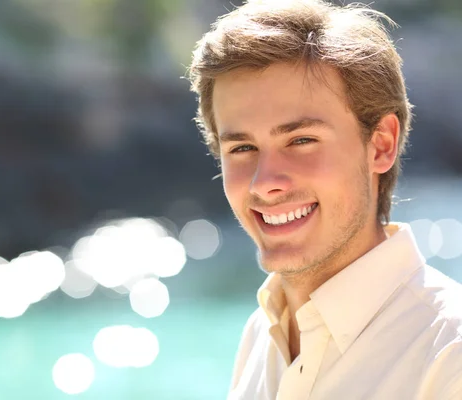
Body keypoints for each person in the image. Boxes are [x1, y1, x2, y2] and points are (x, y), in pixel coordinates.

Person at [187, 0, 462, 399]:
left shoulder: (449, 356)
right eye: (243, 148)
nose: (265, 184)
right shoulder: (260, 336)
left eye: (301, 140)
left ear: (380, 145)